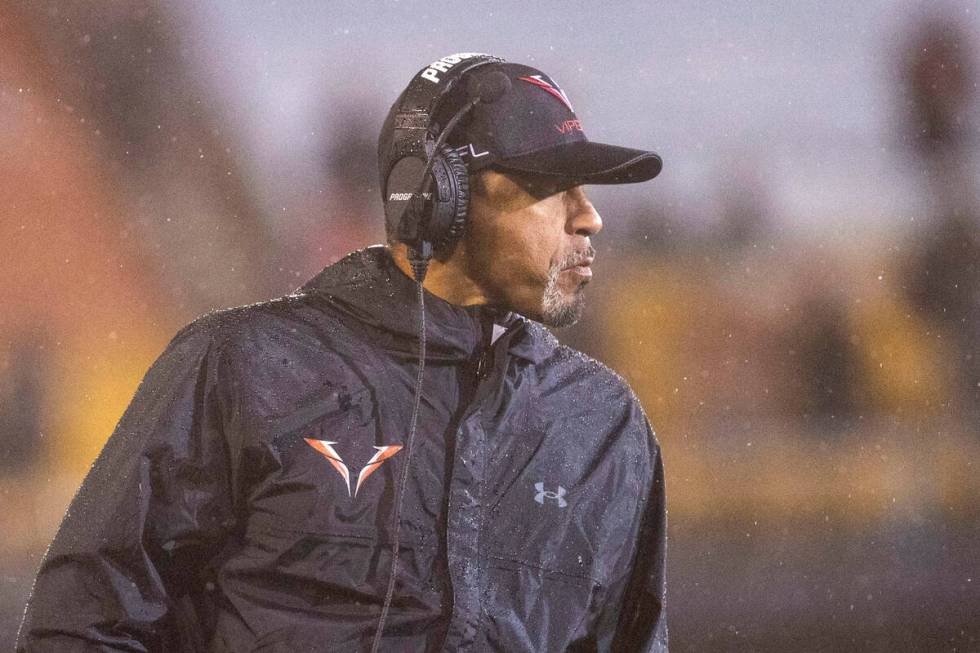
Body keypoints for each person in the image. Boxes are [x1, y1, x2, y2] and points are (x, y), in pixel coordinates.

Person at [18, 52, 667, 652]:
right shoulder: (241, 368)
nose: (589, 217)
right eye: (555, 187)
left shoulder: (605, 423)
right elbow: (84, 625)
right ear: (437, 198)